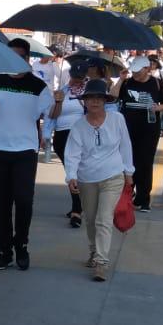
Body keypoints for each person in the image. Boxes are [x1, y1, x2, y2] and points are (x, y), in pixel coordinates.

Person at [0, 38, 53, 271]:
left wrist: (57, 102)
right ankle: (5, 250)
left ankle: (22, 245)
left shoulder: (38, 86)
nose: (16, 60)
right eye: (11, 55)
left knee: (24, 201)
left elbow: (51, 112)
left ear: (27, 59)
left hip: (25, 150)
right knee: (3, 203)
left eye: (20, 56)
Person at [62, 79, 133, 282]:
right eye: (90, 98)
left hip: (113, 176)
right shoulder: (78, 126)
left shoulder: (117, 119)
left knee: (103, 219)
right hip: (87, 179)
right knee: (91, 220)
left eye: (99, 98)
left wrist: (129, 172)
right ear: (84, 101)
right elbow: (72, 154)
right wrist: (71, 176)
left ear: (105, 100)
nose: (94, 101)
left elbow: (126, 146)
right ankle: (94, 251)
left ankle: (102, 262)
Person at [118, 57, 163, 212]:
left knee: (145, 162)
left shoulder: (157, 83)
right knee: (128, 161)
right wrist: (121, 79)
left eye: (138, 71)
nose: (135, 74)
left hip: (149, 130)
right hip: (127, 128)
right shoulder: (127, 82)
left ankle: (143, 199)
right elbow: (112, 97)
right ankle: (128, 195)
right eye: (133, 71)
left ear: (147, 69)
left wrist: (157, 109)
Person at [48, 60, 91, 228]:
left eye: (80, 78)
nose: (76, 81)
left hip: (80, 135)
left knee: (77, 171)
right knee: (71, 170)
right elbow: (52, 115)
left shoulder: (89, 92)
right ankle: (78, 205)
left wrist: (83, 101)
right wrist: (58, 101)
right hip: (62, 134)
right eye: (74, 77)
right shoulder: (63, 91)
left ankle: (77, 209)